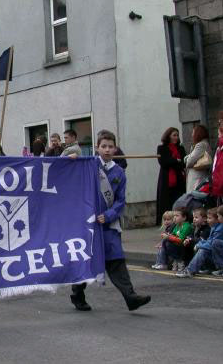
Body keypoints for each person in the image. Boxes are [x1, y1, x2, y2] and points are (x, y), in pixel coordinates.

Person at [70, 130, 151, 312]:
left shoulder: (119, 172)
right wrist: (72, 160)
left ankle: (131, 297)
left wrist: (109, 215)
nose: (107, 150)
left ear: (115, 149)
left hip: (108, 224)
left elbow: (121, 201)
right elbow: (70, 177)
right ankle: (77, 294)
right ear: (97, 147)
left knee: (116, 259)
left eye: (110, 146)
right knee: (88, 260)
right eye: (103, 146)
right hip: (88, 222)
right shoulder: (88, 165)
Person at [176, 207, 223, 278]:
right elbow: (208, 241)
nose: (208, 220)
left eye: (210, 218)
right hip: (215, 256)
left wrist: (199, 245)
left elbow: (211, 244)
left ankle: (190, 270)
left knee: (202, 249)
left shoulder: (220, 229)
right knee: (199, 246)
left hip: (219, 258)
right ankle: (206, 268)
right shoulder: (213, 227)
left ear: (217, 220)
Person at [156, 127, 186, 225]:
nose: (176, 137)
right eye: (174, 135)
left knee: (179, 202)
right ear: (168, 136)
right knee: (166, 204)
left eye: (177, 135)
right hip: (166, 180)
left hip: (179, 180)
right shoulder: (161, 148)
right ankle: (167, 224)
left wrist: (173, 161)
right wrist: (175, 160)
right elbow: (163, 162)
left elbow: (183, 163)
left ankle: (178, 222)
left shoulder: (181, 148)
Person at [184, 125, 212, 193]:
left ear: (198, 133)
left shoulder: (201, 145)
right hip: (200, 177)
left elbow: (189, 162)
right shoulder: (204, 144)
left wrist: (186, 158)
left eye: (193, 132)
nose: (192, 135)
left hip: (197, 179)